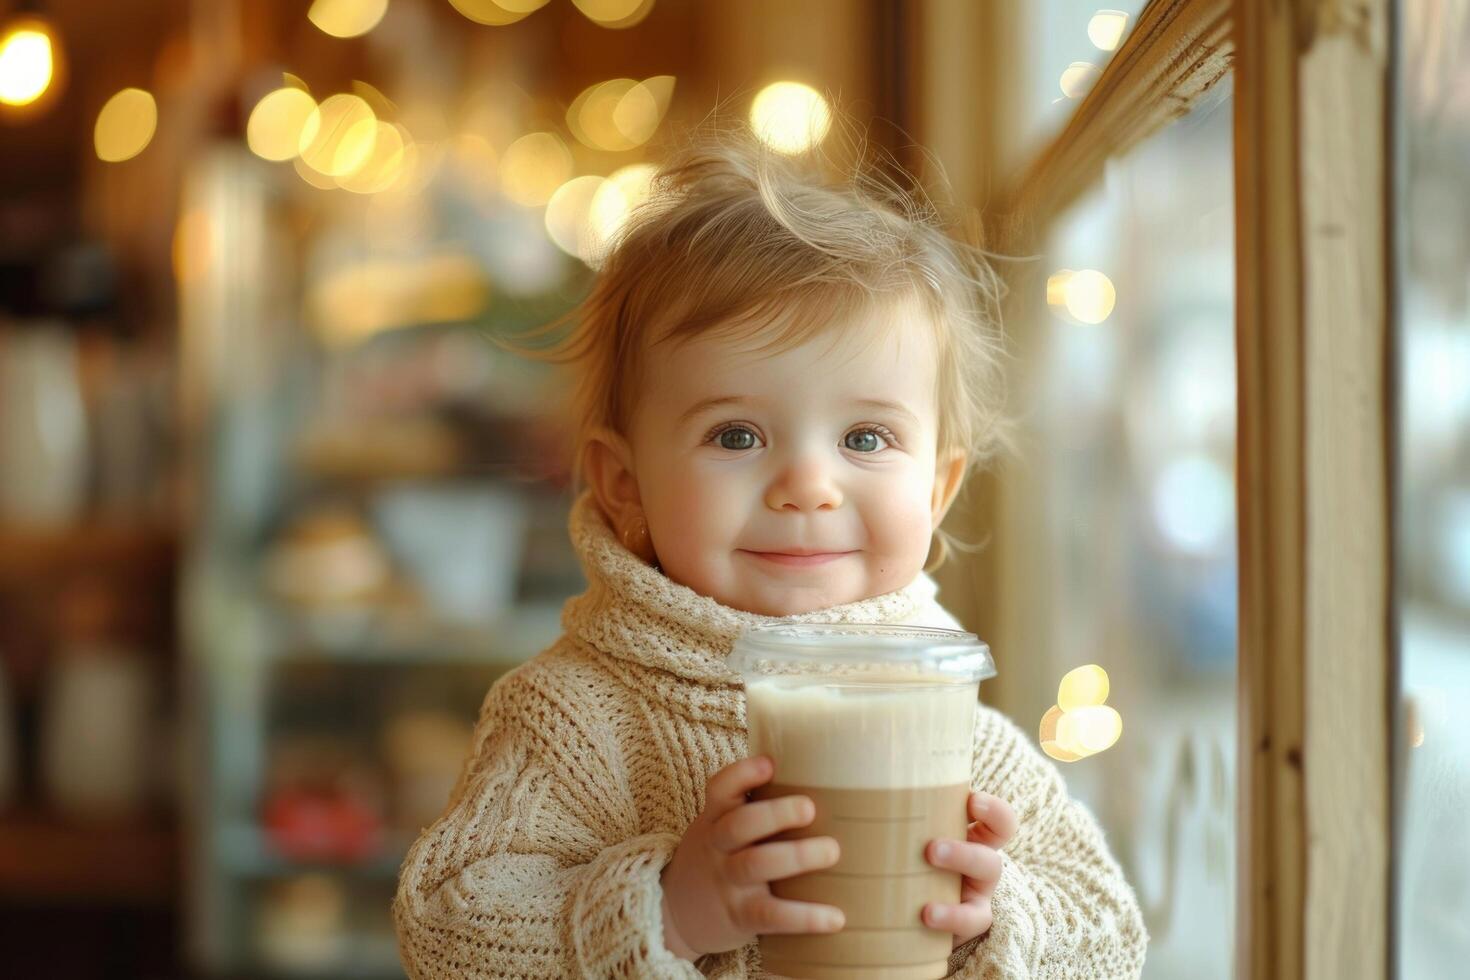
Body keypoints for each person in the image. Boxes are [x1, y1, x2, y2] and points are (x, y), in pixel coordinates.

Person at [392, 122, 1148, 978]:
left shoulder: (952, 732)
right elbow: (446, 933)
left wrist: (995, 914)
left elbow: (1110, 932)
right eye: (738, 433)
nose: (807, 485)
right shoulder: (574, 718)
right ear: (624, 483)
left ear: (936, 490)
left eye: (865, 437)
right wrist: (667, 912)